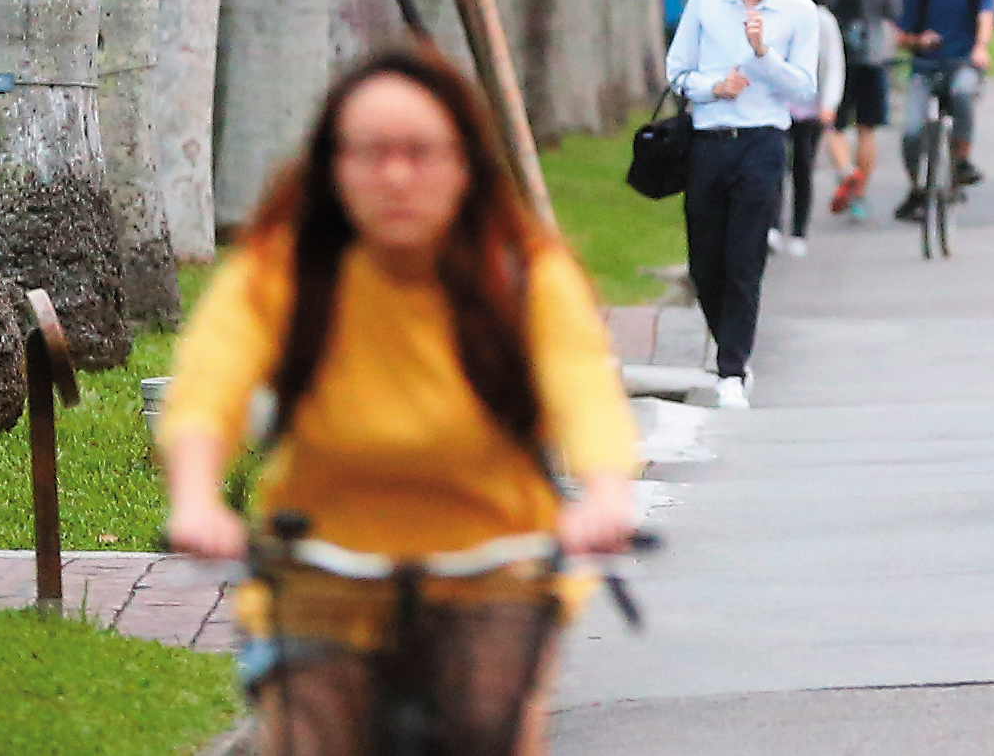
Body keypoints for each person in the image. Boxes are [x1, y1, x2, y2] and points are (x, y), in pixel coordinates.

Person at [159, 50, 639, 753]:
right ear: (333, 167)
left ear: (466, 164)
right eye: (371, 153)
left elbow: (584, 390)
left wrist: (605, 494)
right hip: (320, 576)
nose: (396, 177)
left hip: (494, 575)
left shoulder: (525, 274)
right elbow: (207, 387)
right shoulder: (285, 271)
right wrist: (196, 500)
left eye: (421, 153)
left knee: (492, 729)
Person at [660, 0, 817, 406]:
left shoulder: (798, 11)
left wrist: (762, 54)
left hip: (763, 140)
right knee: (706, 262)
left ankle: (732, 367)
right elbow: (676, 69)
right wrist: (714, 87)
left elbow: (804, 87)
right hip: (708, 138)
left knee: (744, 257)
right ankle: (727, 341)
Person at [811, 0, 903, 221]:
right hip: (874, 51)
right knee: (867, 127)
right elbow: (894, 10)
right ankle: (860, 195)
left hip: (832, 48)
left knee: (832, 121)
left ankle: (845, 169)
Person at [895, 0, 994, 220]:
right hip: (924, 67)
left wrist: (980, 47)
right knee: (912, 131)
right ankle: (917, 187)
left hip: (963, 63)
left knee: (963, 92)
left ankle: (962, 159)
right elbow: (900, 35)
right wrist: (918, 40)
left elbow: (986, 18)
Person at [774, 0, 845, 257]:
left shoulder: (822, 20)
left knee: (803, 167)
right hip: (777, 106)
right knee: (773, 165)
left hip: (808, 107)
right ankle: (773, 226)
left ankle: (799, 231)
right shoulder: (773, 16)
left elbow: (833, 63)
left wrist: (829, 104)